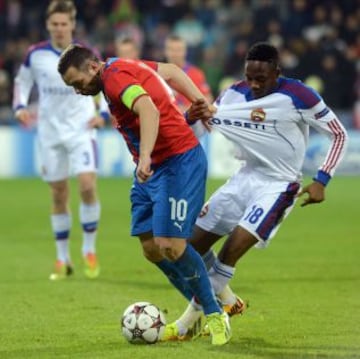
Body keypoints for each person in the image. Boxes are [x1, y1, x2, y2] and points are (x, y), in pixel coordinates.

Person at [164, 42, 349, 339]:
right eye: (250, 77)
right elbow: (199, 129)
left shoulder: (298, 95)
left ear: (277, 72)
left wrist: (321, 179)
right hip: (242, 179)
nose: (254, 84)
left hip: (279, 184)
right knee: (188, 245)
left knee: (231, 249)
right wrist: (190, 117)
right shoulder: (234, 94)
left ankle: (187, 324)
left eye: (261, 78)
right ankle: (228, 302)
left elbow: (339, 134)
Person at [57, 44, 231, 346]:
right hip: (152, 168)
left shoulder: (113, 79)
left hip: (177, 162)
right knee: (151, 247)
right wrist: (199, 102)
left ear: (92, 67)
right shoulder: (121, 65)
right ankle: (200, 304)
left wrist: (147, 156)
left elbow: (147, 108)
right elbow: (173, 72)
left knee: (172, 246)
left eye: (77, 83)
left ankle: (217, 315)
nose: (77, 90)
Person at [13, 0, 109, 281]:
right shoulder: (35, 54)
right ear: (48, 25)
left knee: (88, 186)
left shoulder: (86, 54)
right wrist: (19, 107)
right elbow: (22, 83)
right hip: (50, 132)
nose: (59, 28)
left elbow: (103, 81)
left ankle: (89, 250)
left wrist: (102, 112)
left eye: (63, 23)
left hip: (81, 128)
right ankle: (62, 257)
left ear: (72, 24)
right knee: (58, 193)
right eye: (54, 24)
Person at [164, 34, 213, 112]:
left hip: (190, 119)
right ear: (165, 51)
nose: (175, 54)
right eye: (171, 49)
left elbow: (208, 98)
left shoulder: (196, 73)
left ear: (185, 51)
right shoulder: (158, 74)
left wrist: (188, 110)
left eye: (179, 50)